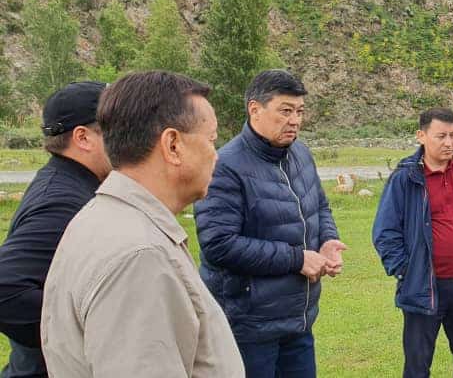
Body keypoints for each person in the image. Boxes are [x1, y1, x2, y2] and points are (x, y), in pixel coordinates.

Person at [40, 71, 244, 377]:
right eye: (211, 140)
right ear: (173, 145)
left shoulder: (109, 219)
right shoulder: (139, 256)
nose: (216, 155)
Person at [195, 69, 345, 378]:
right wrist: (297, 259)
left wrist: (327, 240)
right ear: (255, 109)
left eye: (300, 111)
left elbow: (319, 205)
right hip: (248, 326)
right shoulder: (224, 166)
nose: (295, 120)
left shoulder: (300, 154)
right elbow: (218, 244)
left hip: (298, 320)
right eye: (285, 111)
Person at [372, 108, 453, 378]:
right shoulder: (405, 177)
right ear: (421, 136)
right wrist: (406, 269)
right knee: (418, 366)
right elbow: (385, 231)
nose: (449, 142)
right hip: (423, 285)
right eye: (441, 136)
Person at [0, 82, 110, 378]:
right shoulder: (62, 201)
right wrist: (89, 332)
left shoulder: (71, 182)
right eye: (116, 128)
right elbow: (5, 289)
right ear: (83, 138)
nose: (129, 138)